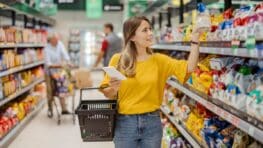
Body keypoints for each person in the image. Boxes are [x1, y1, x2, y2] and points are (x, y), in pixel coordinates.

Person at [100, 16, 201, 148]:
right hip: (125, 123)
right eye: (145, 30)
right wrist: (113, 89)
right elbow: (107, 93)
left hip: (152, 123)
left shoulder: (159, 61)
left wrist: (195, 42)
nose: (150, 33)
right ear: (132, 37)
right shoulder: (118, 60)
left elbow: (189, 68)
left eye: (150, 29)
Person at [45, 33, 71, 117]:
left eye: (58, 39)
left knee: (61, 88)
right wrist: (60, 65)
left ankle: (64, 109)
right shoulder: (47, 49)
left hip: (59, 71)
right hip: (49, 72)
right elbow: (48, 64)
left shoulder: (60, 44)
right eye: (55, 40)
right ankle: (50, 109)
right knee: (50, 91)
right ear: (51, 40)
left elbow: (65, 55)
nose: (57, 41)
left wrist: (68, 62)